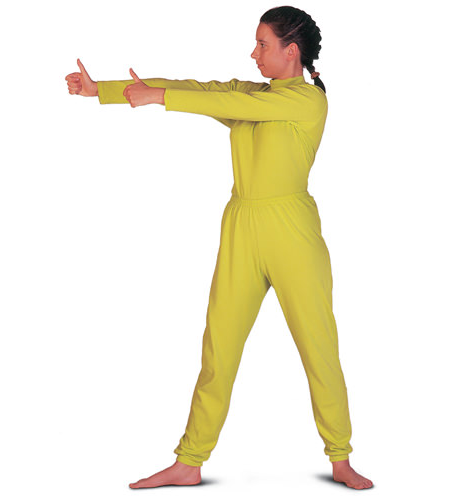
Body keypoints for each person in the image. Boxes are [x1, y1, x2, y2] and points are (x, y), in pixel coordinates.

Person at [65, 5, 373, 491]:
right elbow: (203, 90)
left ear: (291, 52)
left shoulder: (308, 102)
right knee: (219, 349)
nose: (254, 53)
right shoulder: (254, 95)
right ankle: (189, 462)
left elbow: (224, 103)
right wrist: (101, 89)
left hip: (291, 232)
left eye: (262, 45)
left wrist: (160, 98)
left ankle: (341, 456)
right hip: (241, 227)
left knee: (318, 348)